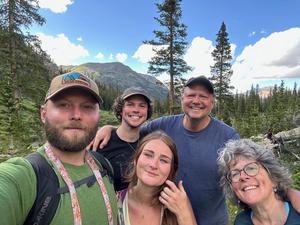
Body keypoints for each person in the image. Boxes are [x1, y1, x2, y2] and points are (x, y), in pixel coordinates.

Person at [93, 76, 240, 225]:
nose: (196, 101)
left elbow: (242, 177)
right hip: (165, 216)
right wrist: (109, 130)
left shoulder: (228, 136)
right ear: (182, 98)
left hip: (212, 221)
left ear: (212, 102)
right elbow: (132, 130)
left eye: (203, 96)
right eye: (190, 95)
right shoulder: (164, 125)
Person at [0, 72, 118, 225]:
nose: (76, 115)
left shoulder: (104, 165)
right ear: (43, 114)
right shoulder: (25, 177)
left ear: (98, 116)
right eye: (63, 104)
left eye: (87, 107)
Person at [118, 130, 197, 225]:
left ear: (171, 170)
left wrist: (184, 215)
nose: (153, 165)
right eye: (148, 155)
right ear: (136, 160)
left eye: (163, 160)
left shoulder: (179, 204)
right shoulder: (113, 202)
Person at [217, 139, 300, 224]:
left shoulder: (297, 214)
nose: (242, 177)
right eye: (235, 174)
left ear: (274, 178)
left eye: (251, 168)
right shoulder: (241, 221)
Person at [99, 87, 153, 191]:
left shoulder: (150, 142)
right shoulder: (102, 143)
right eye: (130, 104)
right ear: (120, 109)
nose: (136, 110)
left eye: (142, 106)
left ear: (147, 112)